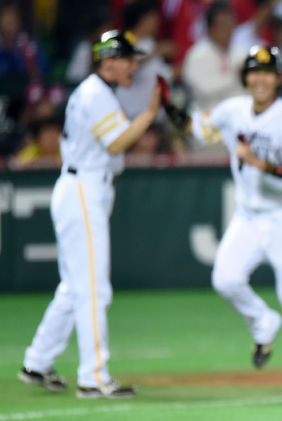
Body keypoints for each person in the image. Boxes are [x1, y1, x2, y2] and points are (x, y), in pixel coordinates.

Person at [18, 29, 161, 398]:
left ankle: (37, 362)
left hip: (83, 188)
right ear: (108, 61)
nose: (134, 67)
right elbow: (117, 142)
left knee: (74, 288)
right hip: (84, 188)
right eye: (128, 60)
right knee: (94, 288)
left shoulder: (98, 92)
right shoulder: (96, 94)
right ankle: (93, 376)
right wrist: (150, 113)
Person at [189, 45, 282, 393]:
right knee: (225, 279)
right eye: (254, 72)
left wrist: (259, 163)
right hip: (248, 215)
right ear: (245, 77)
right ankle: (263, 322)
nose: (260, 79)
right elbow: (200, 129)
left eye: (267, 72)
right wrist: (167, 110)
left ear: (279, 78)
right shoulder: (233, 110)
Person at [182, 0, 246, 112]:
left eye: (230, 25)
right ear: (210, 29)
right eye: (222, 26)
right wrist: (235, 76)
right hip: (206, 116)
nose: (227, 31)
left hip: (238, 115)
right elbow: (204, 89)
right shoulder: (197, 55)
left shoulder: (241, 54)